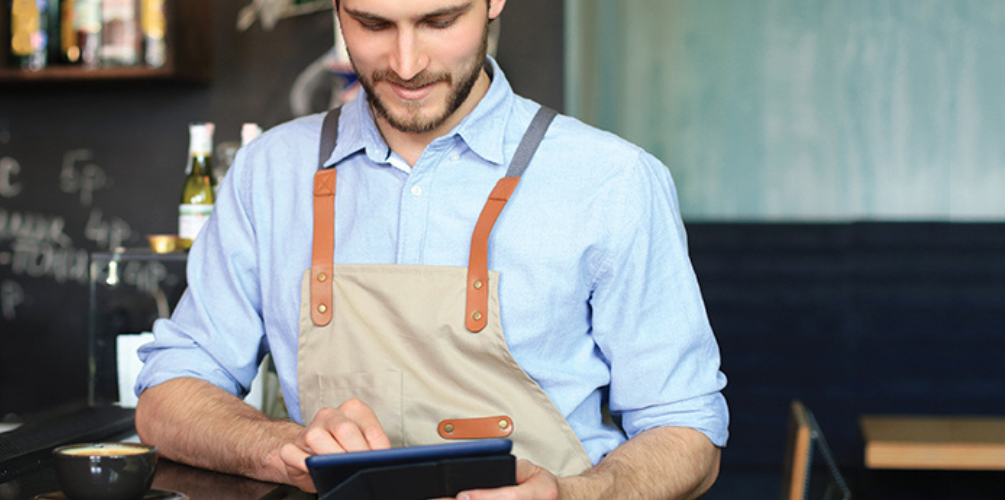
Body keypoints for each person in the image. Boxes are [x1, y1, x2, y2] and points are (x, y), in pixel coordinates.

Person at [135, 0, 729, 498]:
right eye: (373, 25)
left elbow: (687, 431)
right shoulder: (268, 172)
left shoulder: (614, 179)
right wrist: (280, 446)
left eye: (439, 21)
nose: (407, 64)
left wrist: (575, 494)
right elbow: (168, 396)